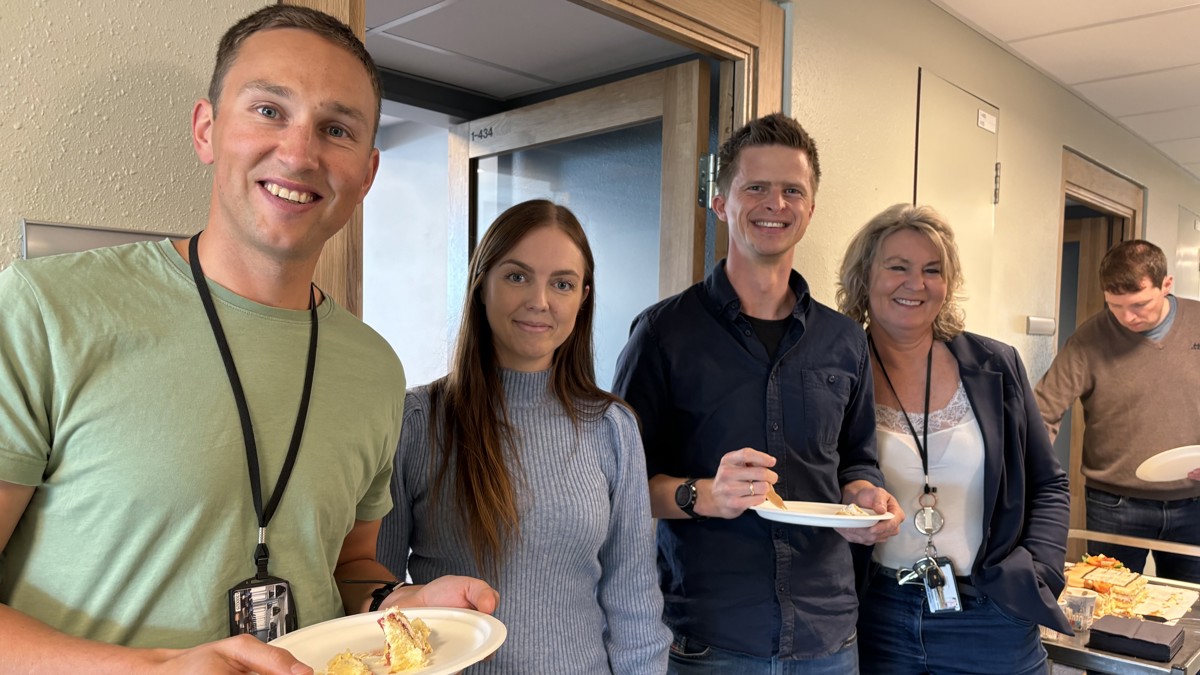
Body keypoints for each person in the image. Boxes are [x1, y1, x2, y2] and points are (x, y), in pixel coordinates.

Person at [0, 7, 495, 674]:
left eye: (336, 128)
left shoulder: (375, 368)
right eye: (268, 111)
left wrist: (405, 599)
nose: (299, 152)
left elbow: (346, 564)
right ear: (207, 130)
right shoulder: (46, 309)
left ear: (367, 174)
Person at [612, 113, 902, 674]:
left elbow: (857, 459)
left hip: (829, 636)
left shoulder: (845, 339)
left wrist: (867, 497)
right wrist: (703, 495)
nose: (776, 203)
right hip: (712, 639)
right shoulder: (663, 334)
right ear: (721, 202)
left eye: (793, 190)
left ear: (811, 209)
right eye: (756, 188)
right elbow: (622, 486)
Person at [377, 199, 670, 674]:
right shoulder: (418, 421)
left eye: (562, 283)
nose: (541, 301)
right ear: (481, 285)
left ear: (583, 297)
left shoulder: (612, 427)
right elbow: (375, 595)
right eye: (517, 276)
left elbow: (633, 602)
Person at [836, 203, 1072, 674]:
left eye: (932, 270)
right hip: (874, 613)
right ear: (864, 278)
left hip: (991, 614)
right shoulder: (835, 370)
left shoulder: (995, 365)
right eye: (897, 267)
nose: (916, 283)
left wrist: (1039, 572)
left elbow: (1050, 485)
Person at [1035, 239, 1200, 582]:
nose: (1127, 317)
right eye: (1115, 305)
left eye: (1140, 304)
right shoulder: (1089, 339)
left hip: (1194, 502)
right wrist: (1023, 475)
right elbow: (1044, 410)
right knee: (1109, 612)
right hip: (1115, 505)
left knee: (1190, 611)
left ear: (1166, 284)